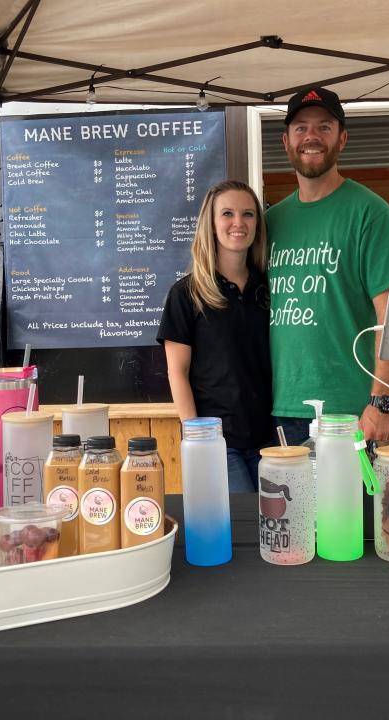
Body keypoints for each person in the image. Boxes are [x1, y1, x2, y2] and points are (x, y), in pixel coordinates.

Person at [267, 86, 389, 445]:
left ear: (342, 139)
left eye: (324, 126)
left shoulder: (370, 213)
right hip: (280, 410)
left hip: (350, 412)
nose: (312, 137)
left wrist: (382, 403)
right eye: (301, 127)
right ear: (286, 141)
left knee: (352, 505)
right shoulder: (270, 221)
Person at [157, 180, 272, 492]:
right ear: (211, 223)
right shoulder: (186, 294)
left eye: (248, 214)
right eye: (227, 214)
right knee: (242, 529)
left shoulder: (271, 288)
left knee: (278, 531)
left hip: (271, 438)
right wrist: (199, 439)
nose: (239, 223)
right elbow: (177, 373)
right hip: (219, 442)